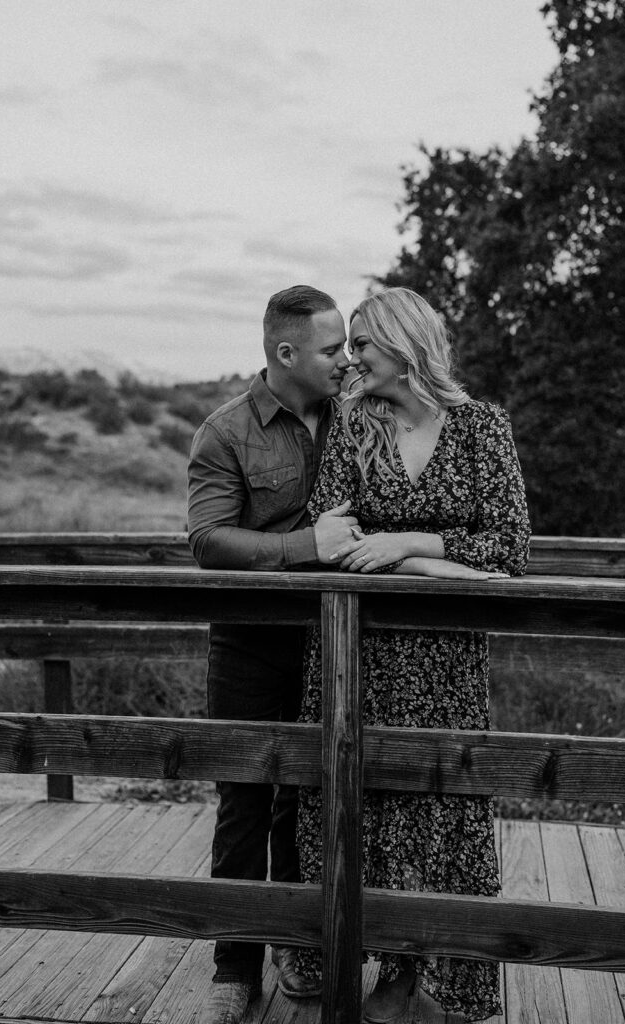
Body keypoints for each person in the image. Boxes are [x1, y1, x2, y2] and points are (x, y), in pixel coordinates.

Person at [290, 287, 531, 1023]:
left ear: (403, 344)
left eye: (361, 343)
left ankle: (428, 971)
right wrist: (436, 567)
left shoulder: (482, 427)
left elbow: (509, 547)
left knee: (440, 801)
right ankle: (370, 966)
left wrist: (406, 544)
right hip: (354, 649)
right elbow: (329, 533)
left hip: (445, 659)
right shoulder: (353, 425)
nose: (352, 358)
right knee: (357, 800)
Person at [187, 285, 358, 1024]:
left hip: (337, 643)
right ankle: (234, 961)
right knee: (244, 797)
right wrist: (305, 547)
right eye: (332, 349)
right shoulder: (224, 432)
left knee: (312, 799)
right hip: (250, 644)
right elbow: (208, 540)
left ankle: (298, 944)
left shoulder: (359, 415)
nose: (346, 361)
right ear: (286, 353)